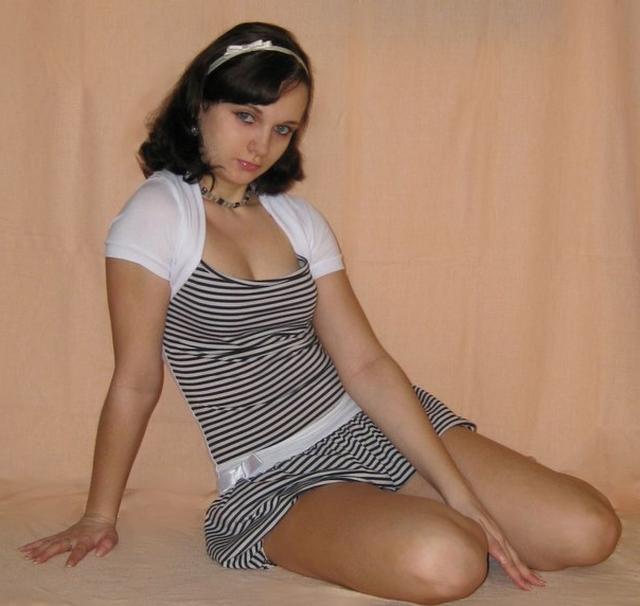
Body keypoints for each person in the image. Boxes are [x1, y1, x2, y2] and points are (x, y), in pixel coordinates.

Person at [19, 22, 621, 605]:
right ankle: (394, 524)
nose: (261, 145)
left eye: (283, 128)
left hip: (369, 425)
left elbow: (365, 364)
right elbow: (135, 380)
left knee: (589, 530)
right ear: (200, 103)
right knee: (450, 563)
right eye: (246, 116)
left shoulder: (296, 219)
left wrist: (459, 491)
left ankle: (417, 509)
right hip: (276, 471)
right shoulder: (157, 215)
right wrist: (99, 515)